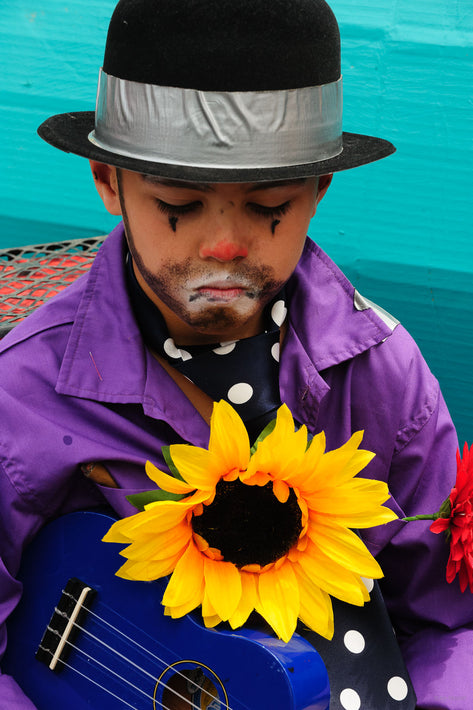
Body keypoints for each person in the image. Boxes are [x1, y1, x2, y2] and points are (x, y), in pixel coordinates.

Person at [0, 0, 471, 708]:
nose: (223, 244)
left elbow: (452, 618)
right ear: (107, 183)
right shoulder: (22, 396)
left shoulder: (381, 372)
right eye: (178, 206)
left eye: (268, 204)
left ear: (317, 190)